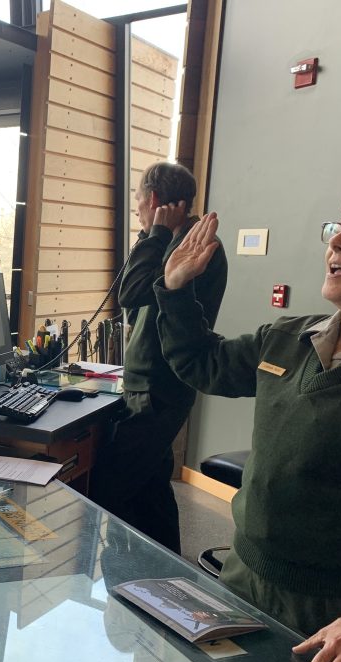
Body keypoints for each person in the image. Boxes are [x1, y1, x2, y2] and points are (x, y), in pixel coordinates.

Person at [155, 182, 341, 662]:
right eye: (337, 229)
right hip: (242, 581)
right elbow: (202, 363)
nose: (337, 242)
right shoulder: (287, 339)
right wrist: (175, 291)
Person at [89, 162, 227, 553]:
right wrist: (152, 234)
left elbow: (129, 292)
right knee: (151, 493)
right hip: (155, 385)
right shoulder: (177, 240)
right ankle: (169, 578)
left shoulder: (190, 246)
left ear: (151, 199)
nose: (137, 212)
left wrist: (156, 232)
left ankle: (124, 579)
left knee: (107, 492)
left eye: (137, 202)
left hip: (157, 389)